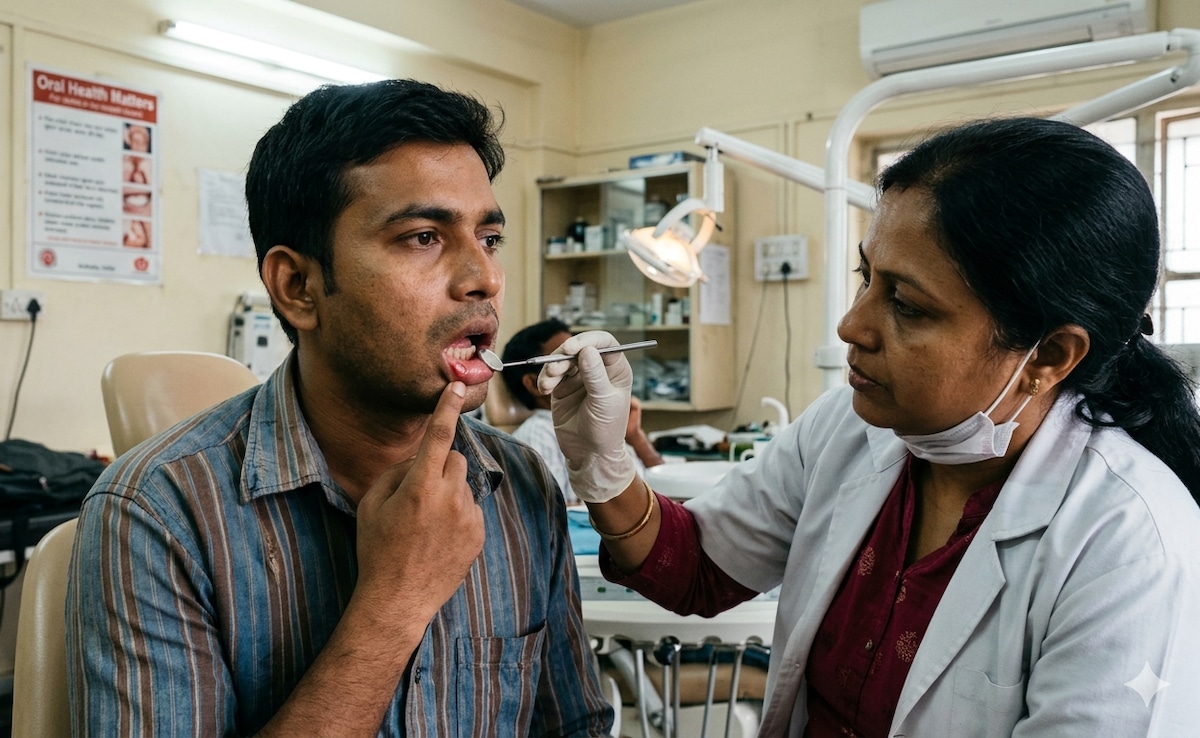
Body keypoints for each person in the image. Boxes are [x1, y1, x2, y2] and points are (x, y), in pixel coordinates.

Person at [537, 117, 1200, 736]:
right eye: (866, 277)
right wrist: (605, 466)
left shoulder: (1127, 543)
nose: (851, 325)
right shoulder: (850, 429)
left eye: (907, 305)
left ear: (1049, 356)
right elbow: (702, 567)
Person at [67, 79, 613, 736]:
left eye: (489, 238)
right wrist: (394, 604)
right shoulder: (156, 512)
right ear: (298, 286)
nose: (485, 278)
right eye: (423, 237)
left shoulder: (522, 484)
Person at [500, 318, 663, 505]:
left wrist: (634, 435)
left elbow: (664, 486)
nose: (587, 364)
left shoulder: (595, 418)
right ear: (532, 383)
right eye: (570, 360)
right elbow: (553, 512)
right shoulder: (537, 433)